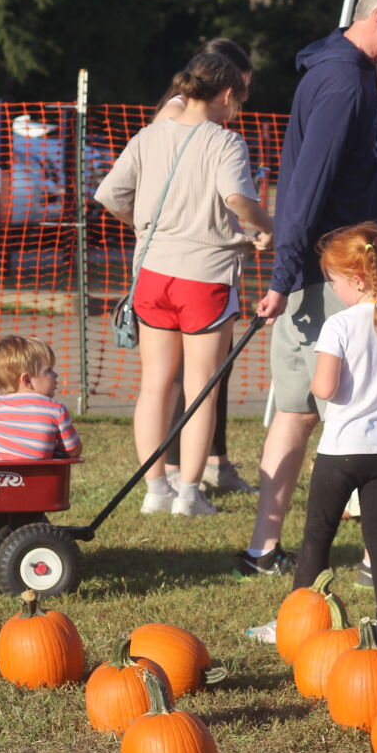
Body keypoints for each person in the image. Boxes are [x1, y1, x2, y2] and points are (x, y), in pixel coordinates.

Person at [242, 0, 377, 587]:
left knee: (305, 411)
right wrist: (284, 277)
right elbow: (304, 187)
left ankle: (268, 549)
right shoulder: (344, 83)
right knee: (353, 413)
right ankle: (360, 560)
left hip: (329, 273)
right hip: (330, 279)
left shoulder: (350, 74)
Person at [96, 53, 273, 517]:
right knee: (201, 390)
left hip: (152, 273)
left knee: (155, 384)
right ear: (228, 95)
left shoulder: (152, 131)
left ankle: (156, 490)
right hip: (206, 276)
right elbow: (238, 199)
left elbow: (111, 194)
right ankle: (190, 494)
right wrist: (264, 225)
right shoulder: (226, 142)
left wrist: (143, 225)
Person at [256, 223, 377, 650]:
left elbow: (322, 389)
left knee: (318, 534)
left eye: (334, 281)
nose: (333, 288)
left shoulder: (339, 326)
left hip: (340, 451)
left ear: (357, 280)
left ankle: (296, 620)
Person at [154, 38, 260, 498]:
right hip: (195, 267)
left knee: (191, 377)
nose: (239, 106)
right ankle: (182, 480)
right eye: (241, 93)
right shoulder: (184, 119)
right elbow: (231, 196)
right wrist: (261, 224)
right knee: (190, 380)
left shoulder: (182, 117)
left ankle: (173, 480)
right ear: (224, 86)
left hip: (172, 265)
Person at [0, 335, 82, 461]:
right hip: (37, 477)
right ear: (27, 380)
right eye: (48, 370)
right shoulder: (56, 410)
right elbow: (73, 450)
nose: (55, 375)